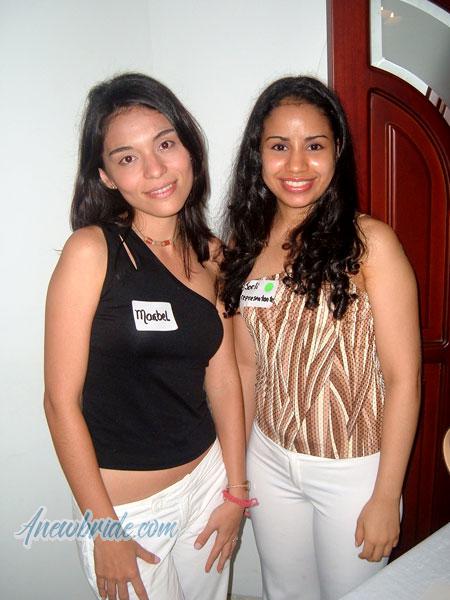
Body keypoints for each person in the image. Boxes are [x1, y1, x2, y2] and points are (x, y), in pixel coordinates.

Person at [44, 72, 250, 600]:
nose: (155, 169)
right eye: (127, 157)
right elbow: (60, 402)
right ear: (106, 176)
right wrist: (103, 529)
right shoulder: (91, 252)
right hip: (129, 512)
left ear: (189, 147)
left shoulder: (212, 254)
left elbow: (223, 377)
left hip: (208, 485)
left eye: (165, 144)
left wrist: (235, 490)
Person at [220, 76, 420, 600]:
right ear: (257, 154)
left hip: (353, 470)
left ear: (336, 151)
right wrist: (238, 468)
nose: (296, 165)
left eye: (314, 146)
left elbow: (403, 379)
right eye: (278, 146)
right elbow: (246, 367)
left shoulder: (370, 243)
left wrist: (386, 495)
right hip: (269, 460)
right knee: (283, 592)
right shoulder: (244, 245)